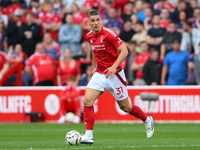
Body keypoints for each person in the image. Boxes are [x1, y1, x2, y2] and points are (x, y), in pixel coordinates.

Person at [80, 10, 154, 145]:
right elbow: (94, 51)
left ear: (100, 21)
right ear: (89, 23)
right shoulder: (89, 36)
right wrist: (92, 67)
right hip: (100, 74)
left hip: (115, 74)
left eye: (98, 20)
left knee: (126, 107)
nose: (96, 23)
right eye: (93, 21)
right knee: (87, 101)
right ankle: (88, 136)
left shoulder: (109, 34)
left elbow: (125, 50)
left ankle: (147, 120)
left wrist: (114, 67)